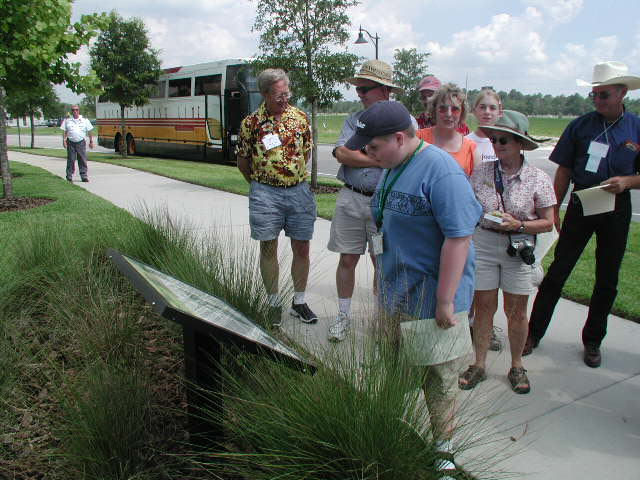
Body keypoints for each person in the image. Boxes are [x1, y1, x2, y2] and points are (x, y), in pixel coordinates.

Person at [346, 100, 482, 477]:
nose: (367, 153)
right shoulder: (393, 164)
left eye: (373, 147)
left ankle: (443, 448)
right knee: (394, 364)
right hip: (396, 292)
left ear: (400, 138)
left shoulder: (442, 173)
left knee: (438, 376)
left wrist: (445, 301)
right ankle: (394, 425)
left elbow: (459, 237)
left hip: (433, 298)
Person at [525, 61, 640, 368]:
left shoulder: (636, 128)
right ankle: (533, 332)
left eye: (604, 95)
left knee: (607, 278)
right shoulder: (580, 126)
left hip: (617, 206)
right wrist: (552, 209)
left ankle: (593, 340)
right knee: (558, 270)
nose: (598, 100)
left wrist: (627, 181)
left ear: (622, 93)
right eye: (595, 95)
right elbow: (563, 170)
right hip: (582, 202)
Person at [457, 111, 555, 394]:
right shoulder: (481, 172)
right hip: (485, 243)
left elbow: (548, 222)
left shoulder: (538, 178)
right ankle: (479, 364)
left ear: (520, 144)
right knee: (484, 307)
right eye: (494, 139)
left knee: (517, 311)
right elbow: (469, 206)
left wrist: (520, 223)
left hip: (519, 246)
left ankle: (516, 364)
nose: (497, 144)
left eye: (504, 140)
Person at [327, 60, 404, 342]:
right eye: (358, 88)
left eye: (365, 88)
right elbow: (343, 154)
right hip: (350, 198)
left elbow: (402, 159)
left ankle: (379, 319)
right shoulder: (353, 119)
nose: (359, 93)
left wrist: (363, 155)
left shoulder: (403, 122)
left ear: (384, 90)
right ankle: (343, 317)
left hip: (382, 206)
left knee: (380, 262)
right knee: (347, 258)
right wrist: (381, 157)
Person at [236, 68, 318, 326]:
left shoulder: (300, 118)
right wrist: (262, 187)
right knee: (268, 247)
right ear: (264, 94)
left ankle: (299, 301)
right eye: (279, 95)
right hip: (265, 194)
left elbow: (305, 153)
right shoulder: (251, 123)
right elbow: (243, 162)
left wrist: (291, 179)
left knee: (302, 247)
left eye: (287, 93)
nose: (285, 98)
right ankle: (273, 304)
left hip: (299, 193)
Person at [466, 88, 504, 351]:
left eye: (492, 107)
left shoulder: (504, 140)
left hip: (502, 224)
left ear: (500, 111)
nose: (488, 112)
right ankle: (467, 324)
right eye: (483, 107)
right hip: (474, 221)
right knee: (471, 277)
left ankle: (485, 326)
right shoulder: (468, 141)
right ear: (474, 111)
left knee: (492, 285)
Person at [417, 83, 480, 176]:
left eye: (455, 109)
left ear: (462, 112)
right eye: (442, 109)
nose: (449, 114)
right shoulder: (418, 139)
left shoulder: (471, 149)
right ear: (434, 110)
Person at [60, 105, 94, 182]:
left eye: (76, 110)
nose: (75, 111)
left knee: (82, 159)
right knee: (71, 160)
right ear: (71, 111)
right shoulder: (67, 120)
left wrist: (91, 141)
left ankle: (84, 176)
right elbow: (65, 131)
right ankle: (69, 176)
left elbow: (89, 131)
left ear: (79, 110)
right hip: (70, 142)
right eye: (73, 110)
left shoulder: (84, 120)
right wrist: (64, 140)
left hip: (81, 142)